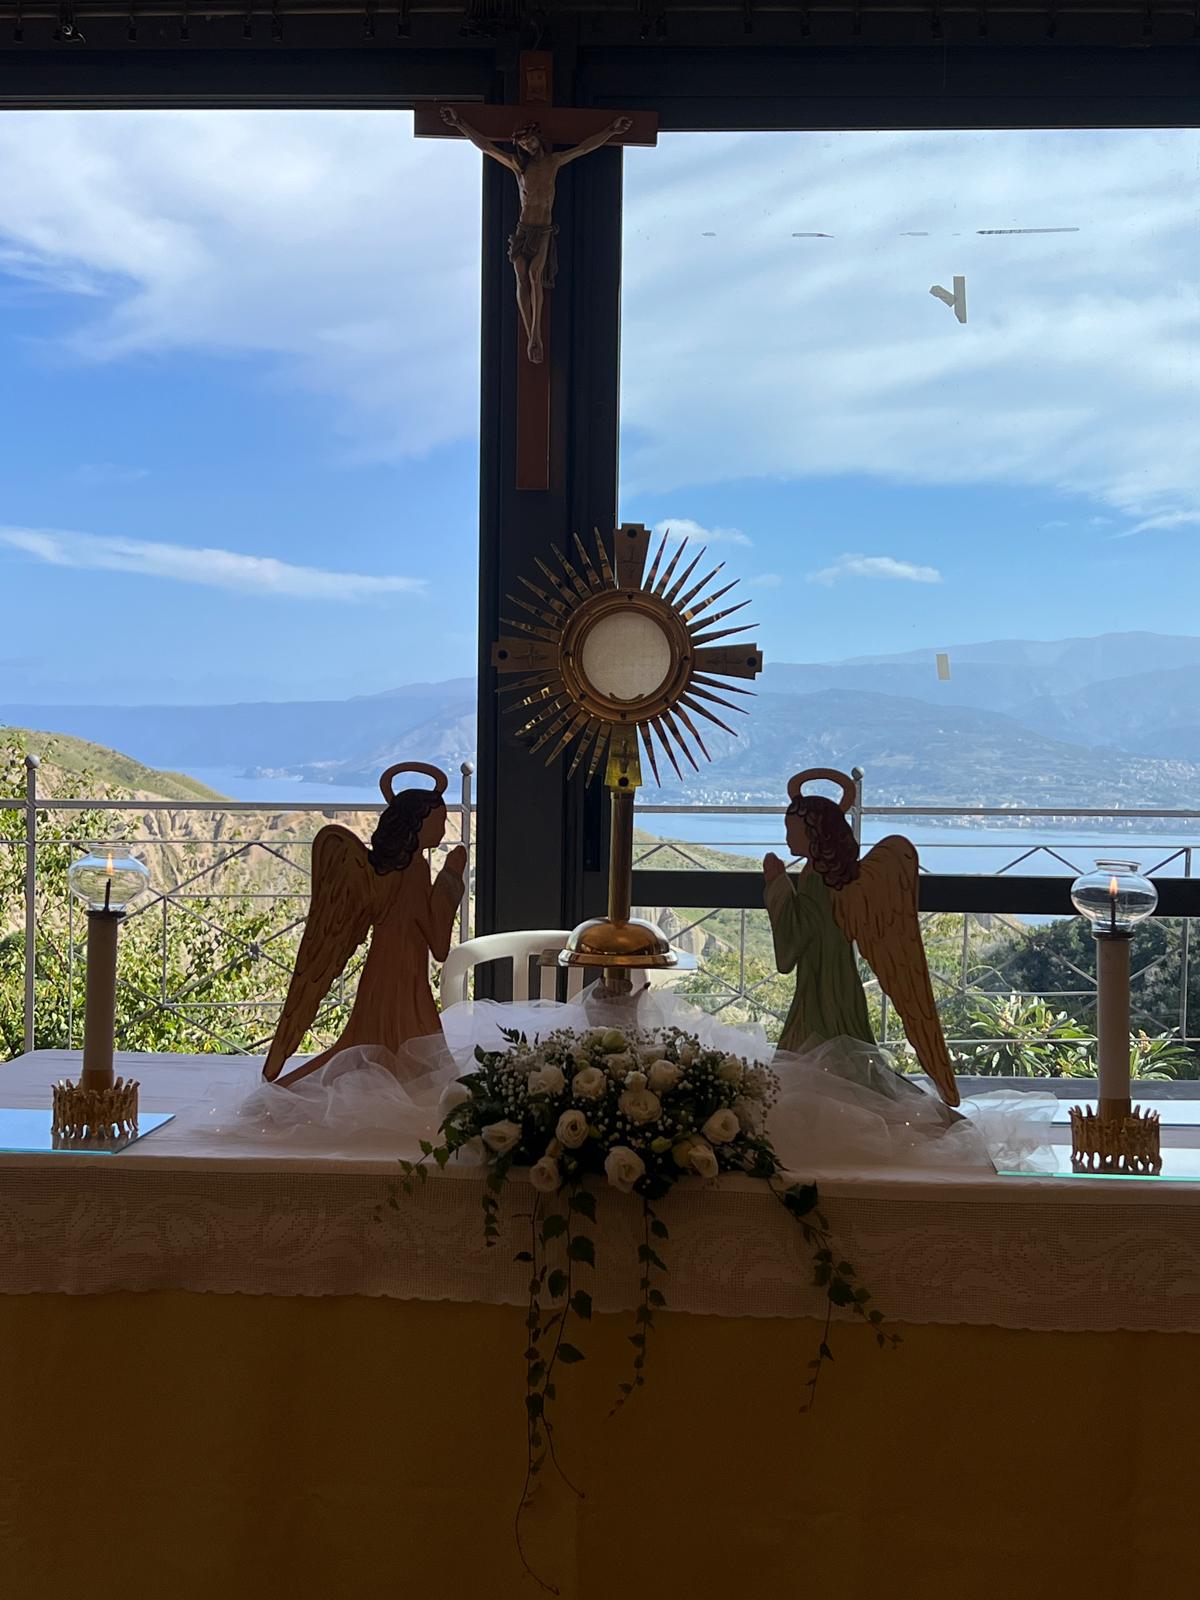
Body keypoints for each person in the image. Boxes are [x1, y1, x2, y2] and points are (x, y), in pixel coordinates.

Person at [441, 107, 632, 363]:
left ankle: (535, 334)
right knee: (522, 278)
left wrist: (611, 130)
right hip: (523, 229)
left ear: (538, 137)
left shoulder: (553, 162)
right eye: (522, 144)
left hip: (543, 230)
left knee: (534, 277)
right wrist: (459, 123)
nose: (527, 146)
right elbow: (487, 147)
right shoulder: (519, 167)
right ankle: (531, 334)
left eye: (529, 140)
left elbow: (585, 148)